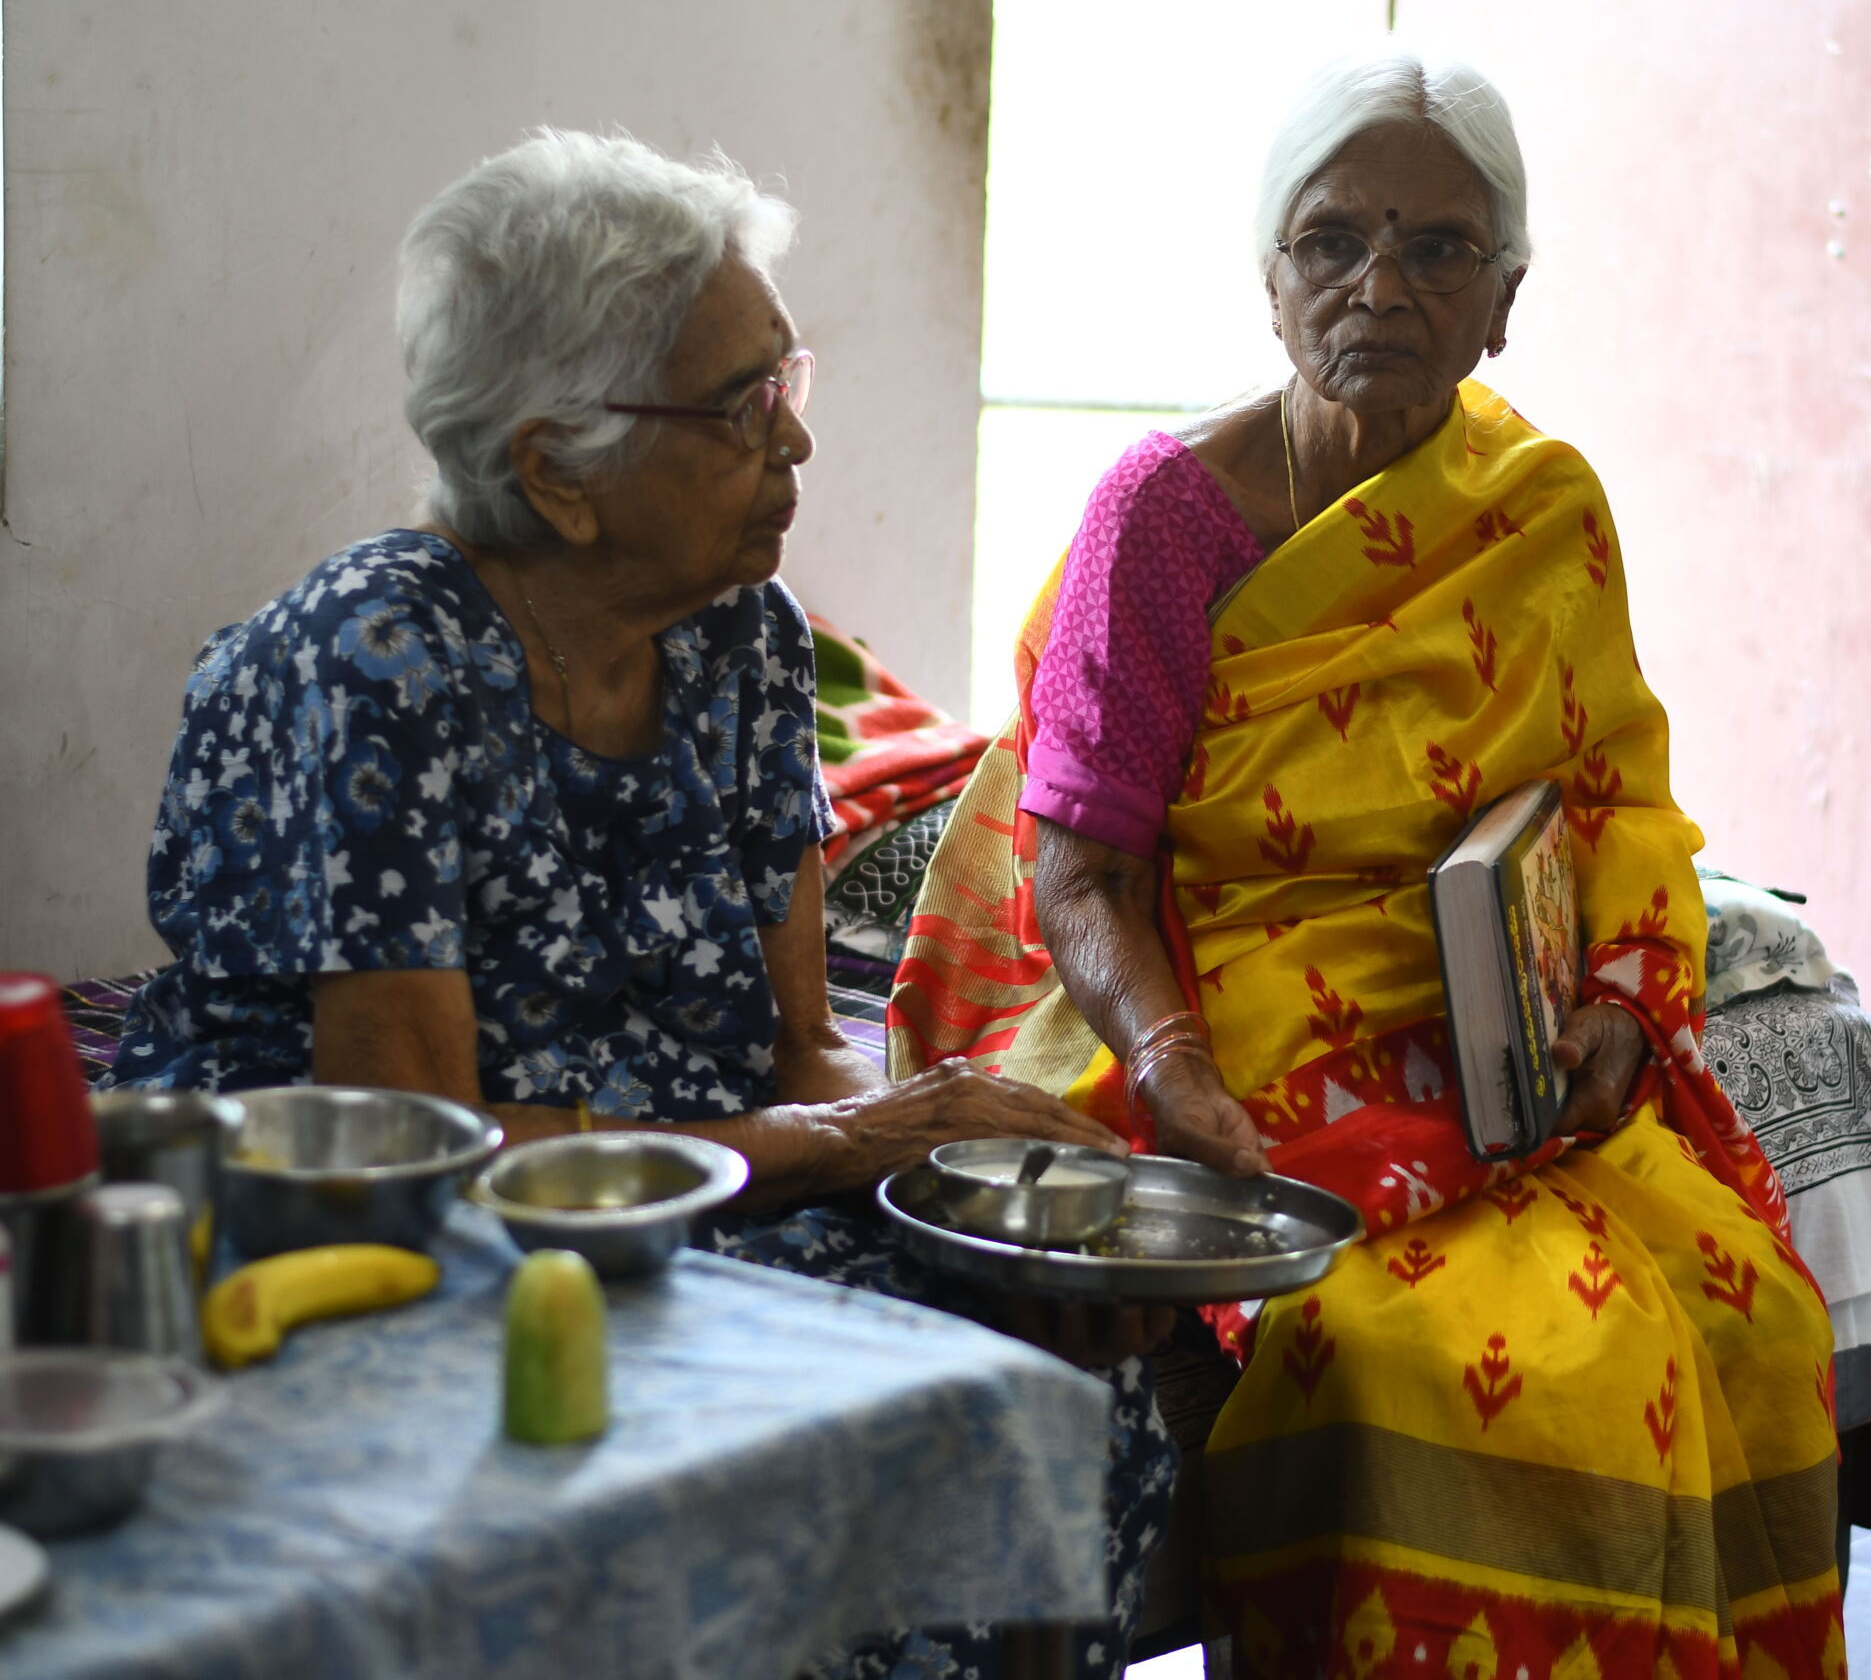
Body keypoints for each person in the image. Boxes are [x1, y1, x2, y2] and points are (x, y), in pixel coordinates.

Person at [110, 130, 1171, 1680]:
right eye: (747, 410)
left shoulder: (745, 637)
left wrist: (958, 1200)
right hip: (376, 1255)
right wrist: (848, 1144)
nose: (795, 448)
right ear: (557, 470)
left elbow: (809, 1047)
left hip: (693, 1198)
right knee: (725, 1478)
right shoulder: (366, 667)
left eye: (787, 384)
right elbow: (424, 1155)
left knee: (1062, 1382)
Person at [892, 52, 1846, 1679]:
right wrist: (1175, 1064)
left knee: (1741, 1306)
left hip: (1488, 1036)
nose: (1378, 288)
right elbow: (1083, 863)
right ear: (1269, 284)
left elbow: (1615, 797)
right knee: (1402, 1348)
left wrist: (1621, 993)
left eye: (1440, 251)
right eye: (1330, 243)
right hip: (1229, 1016)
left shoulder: (1542, 507)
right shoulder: (1165, 519)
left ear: (1506, 303)